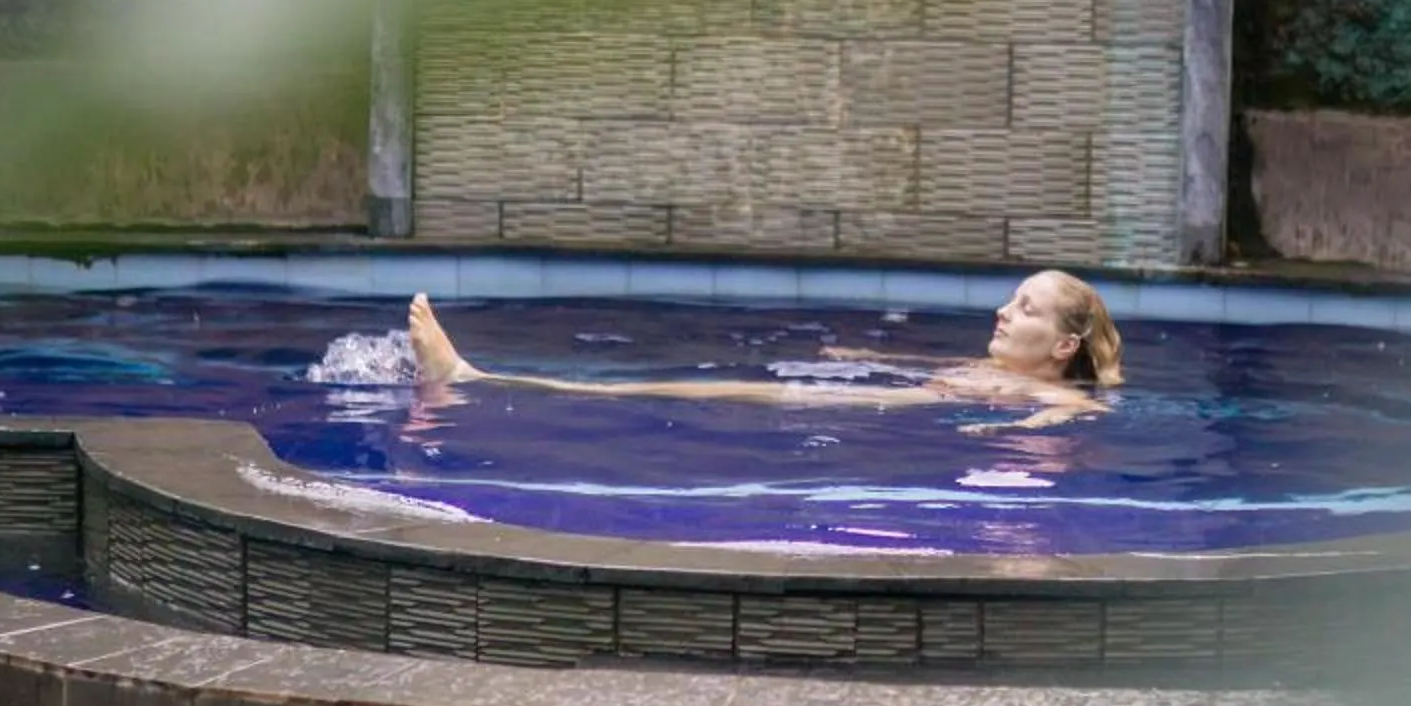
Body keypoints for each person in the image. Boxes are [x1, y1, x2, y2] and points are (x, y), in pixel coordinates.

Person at [405, 270, 1124, 430]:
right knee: (685, 392)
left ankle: (473, 377)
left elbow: (1065, 415)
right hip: (860, 397)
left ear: (1063, 344)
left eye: (1024, 309)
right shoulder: (990, 369)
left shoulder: (1056, 391)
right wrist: (866, 360)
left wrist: (1010, 428)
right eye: (1009, 298)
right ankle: (474, 376)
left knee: (672, 394)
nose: (1002, 311)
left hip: (848, 411)